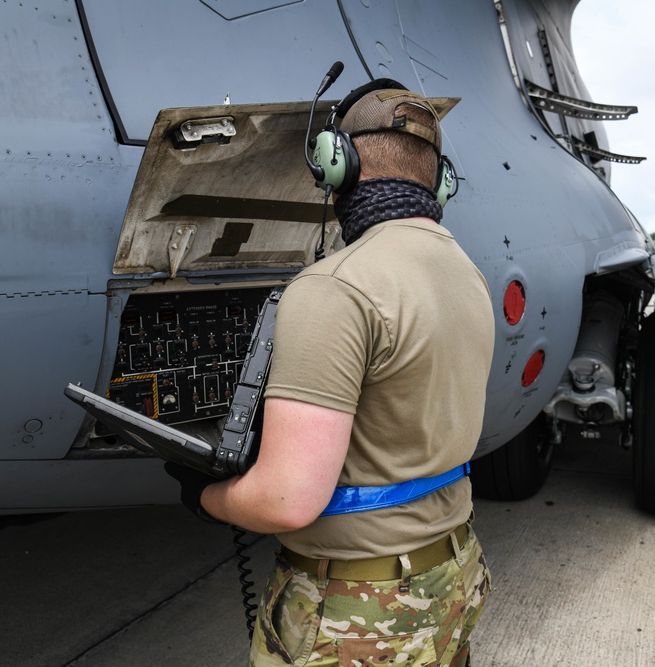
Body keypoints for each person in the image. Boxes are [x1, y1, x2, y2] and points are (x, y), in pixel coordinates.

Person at [166, 80, 495, 667]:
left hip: (358, 612)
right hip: (450, 575)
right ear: (439, 179)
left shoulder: (334, 288)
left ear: (334, 165)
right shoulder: (464, 271)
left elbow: (287, 501)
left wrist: (206, 496)